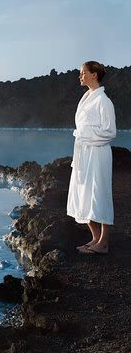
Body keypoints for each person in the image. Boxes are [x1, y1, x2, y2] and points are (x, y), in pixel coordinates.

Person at [67, 61, 116, 254]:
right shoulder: (87, 98)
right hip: (84, 153)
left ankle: (103, 243)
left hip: (98, 153)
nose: (80, 76)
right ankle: (95, 238)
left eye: (83, 73)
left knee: (99, 194)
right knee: (84, 193)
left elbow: (110, 131)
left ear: (94, 74)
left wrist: (85, 133)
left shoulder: (104, 101)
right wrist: (82, 135)